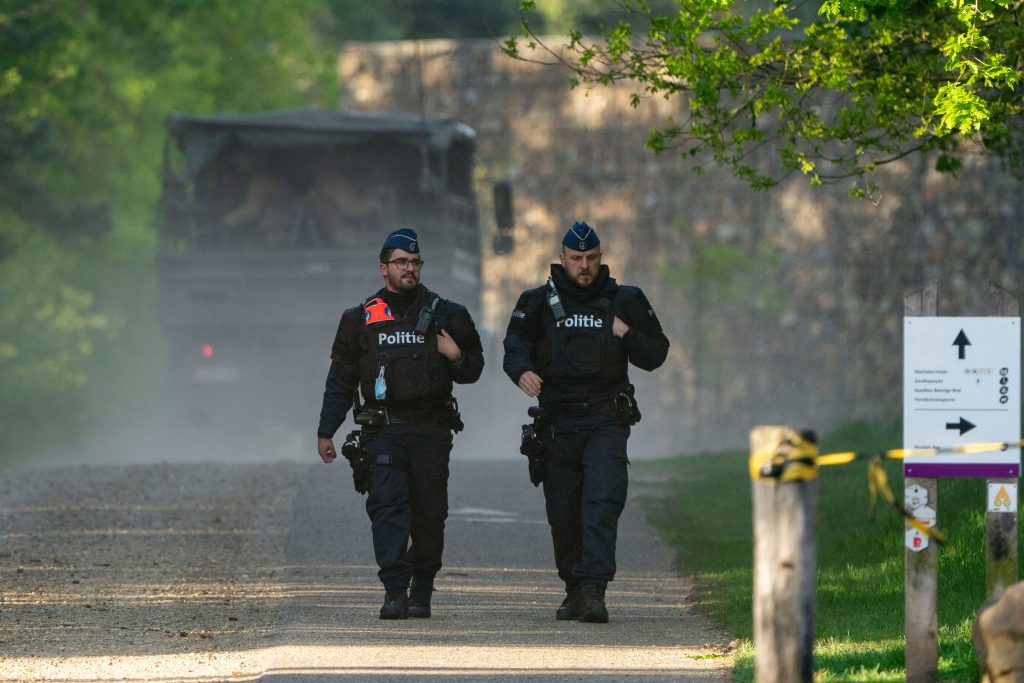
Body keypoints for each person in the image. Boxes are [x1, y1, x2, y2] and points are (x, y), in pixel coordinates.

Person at [502, 221, 669, 623]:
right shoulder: (537, 301)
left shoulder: (625, 300)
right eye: (576, 258)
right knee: (563, 512)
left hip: (605, 420)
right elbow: (513, 346)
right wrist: (522, 371)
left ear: (601, 258)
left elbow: (656, 353)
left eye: (591, 258)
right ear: (561, 258)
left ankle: (594, 589)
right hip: (557, 423)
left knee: (601, 503)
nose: (584, 266)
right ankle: (574, 588)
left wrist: (627, 334)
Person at [317, 227, 484, 620]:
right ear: (383, 268)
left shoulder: (447, 314)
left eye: (415, 262)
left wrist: (455, 354)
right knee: (388, 510)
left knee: (429, 514)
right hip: (383, 430)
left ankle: (421, 587)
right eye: (401, 262)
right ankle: (394, 589)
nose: (409, 269)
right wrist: (326, 430)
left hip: (430, 430)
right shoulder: (359, 318)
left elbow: (474, 369)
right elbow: (340, 380)